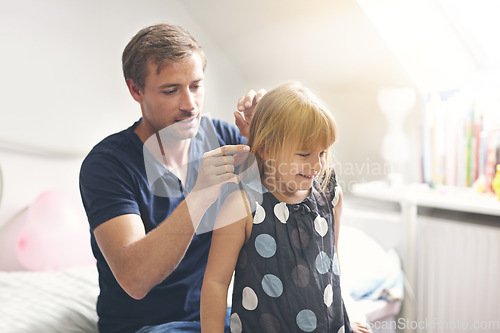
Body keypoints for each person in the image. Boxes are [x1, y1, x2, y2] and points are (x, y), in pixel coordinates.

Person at [79, 23, 264, 333]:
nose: (189, 104)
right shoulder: (107, 165)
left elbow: (269, 221)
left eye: (196, 85)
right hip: (147, 327)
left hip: (214, 315)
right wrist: (200, 194)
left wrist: (262, 142)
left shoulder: (225, 138)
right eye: (171, 90)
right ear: (135, 90)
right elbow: (135, 279)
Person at [200, 81, 370, 333]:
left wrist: (343, 317)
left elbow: (330, 268)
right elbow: (215, 283)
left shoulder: (330, 195)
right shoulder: (242, 205)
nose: (316, 165)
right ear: (266, 147)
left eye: (322, 152)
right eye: (304, 154)